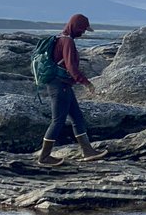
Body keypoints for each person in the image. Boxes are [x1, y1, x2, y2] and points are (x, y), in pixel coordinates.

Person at [36, 13, 108, 166]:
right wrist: (87, 83)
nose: (82, 33)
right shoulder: (67, 41)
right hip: (59, 86)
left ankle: (87, 151)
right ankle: (44, 157)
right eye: (82, 30)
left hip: (62, 85)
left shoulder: (60, 37)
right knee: (58, 121)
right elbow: (71, 67)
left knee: (77, 117)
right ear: (77, 27)